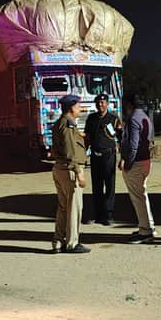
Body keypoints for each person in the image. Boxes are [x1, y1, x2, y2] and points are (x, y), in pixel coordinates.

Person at [51, 94, 90, 254]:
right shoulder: (68, 125)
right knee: (74, 207)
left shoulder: (61, 123)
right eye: (78, 106)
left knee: (63, 208)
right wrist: (79, 172)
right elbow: (70, 151)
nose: (80, 108)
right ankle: (72, 243)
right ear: (71, 108)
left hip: (60, 168)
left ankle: (58, 241)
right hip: (70, 170)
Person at [119, 92, 156, 243]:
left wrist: (128, 163)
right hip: (145, 160)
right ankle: (147, 226)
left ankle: (145, 231)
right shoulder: (145, 117)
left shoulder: (134, 119)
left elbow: (133, 145)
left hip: (137, 162)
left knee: (138, 198)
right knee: (142, 195)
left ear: (129, 105)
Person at [84, 93, 120, 226]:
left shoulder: (113, 119)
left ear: (107, 104)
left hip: (108, 155)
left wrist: (121, 154)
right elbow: (87, 137)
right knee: (97, 186)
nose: (100, 105)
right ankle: (98, 215)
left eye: (103, 102)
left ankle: (108, 215)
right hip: (95, 156)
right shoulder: (91, 118)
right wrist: (85, 153)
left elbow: (120, 136)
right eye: (98, 102)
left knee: (110, 185)